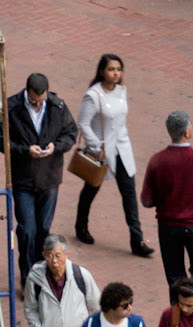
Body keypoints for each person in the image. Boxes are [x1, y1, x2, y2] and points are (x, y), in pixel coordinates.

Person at [0, 72, 78, 282]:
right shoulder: (12, 107)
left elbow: (70, 134)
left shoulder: (57, 106)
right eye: (33, 100)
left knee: (43, 228)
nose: (38, 104)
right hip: (23, 179)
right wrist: (24, 150)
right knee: (27, 229)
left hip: (49, 178)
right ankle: (27, 272)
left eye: (41, 100)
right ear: (27, 93)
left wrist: (55, 147)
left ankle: (42, 270)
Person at [74, 55, 153, 257]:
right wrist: (95, 145)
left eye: (119, 69)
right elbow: (83, 123)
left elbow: (120, 121)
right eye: (111, 69)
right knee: (91, 188)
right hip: (101, 152)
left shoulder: (121, 91)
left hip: (122, 149)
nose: (116, 73)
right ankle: (81, 226)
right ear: (102, 71)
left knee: (129, 194)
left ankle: (137, 240)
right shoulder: (93, 96)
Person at [140, 110, 193, 286]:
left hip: (167, 227)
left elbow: (147, 200)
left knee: (175, 276)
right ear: (187, 132)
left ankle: (176, 311)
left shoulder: (157, 160)